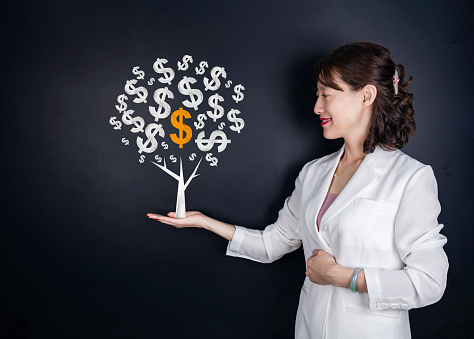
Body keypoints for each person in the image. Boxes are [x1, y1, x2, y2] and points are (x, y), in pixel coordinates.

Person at [147, 41, 448, 339]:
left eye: (326, 95)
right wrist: (203, 221)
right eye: (317, 95)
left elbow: (429, 282)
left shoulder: (410, 178)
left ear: (366, 96)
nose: (317, 106)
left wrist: (346, 278)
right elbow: (272, 244)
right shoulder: (314, 172)